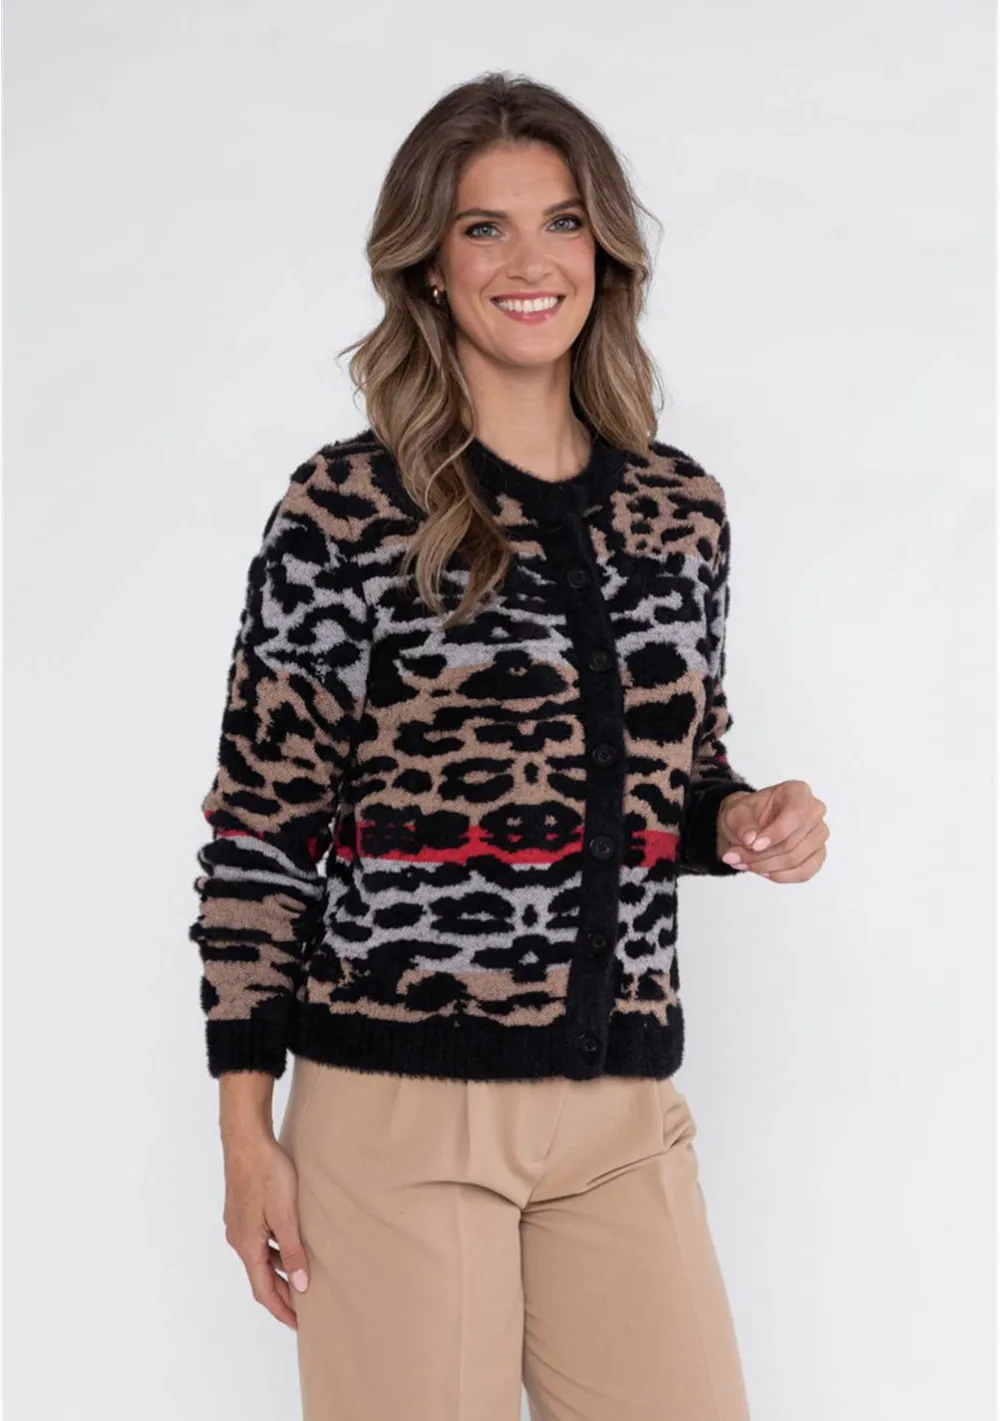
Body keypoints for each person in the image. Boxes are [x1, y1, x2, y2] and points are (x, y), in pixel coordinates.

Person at [189, 71, 829, 1421]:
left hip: (620, 1112)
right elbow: (261, 830)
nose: (530, 262)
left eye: (563, 222)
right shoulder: (346, 509)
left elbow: (673, 777)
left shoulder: (679, 509)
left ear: (607, 251)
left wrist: (739, 818)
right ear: (429, 263)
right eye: (485, 227)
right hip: (399, 1110)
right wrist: (247, 1134)